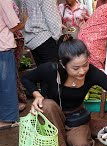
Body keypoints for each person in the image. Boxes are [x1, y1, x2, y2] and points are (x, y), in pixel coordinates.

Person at [22, 36, 107, 146]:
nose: (82, 71)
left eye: (85, 65)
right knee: (47, 104)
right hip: (51, 117)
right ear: (63, 64)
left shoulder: (92, 73)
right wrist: (37, 95)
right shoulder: (50, 69)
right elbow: (26, 79)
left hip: (76, 116)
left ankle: (74, 138)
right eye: (75, 68)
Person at [22, 0, 62, 96]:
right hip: (45, 38)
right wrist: (58, 37)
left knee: (44, 76)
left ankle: (45, 106)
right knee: (53, 77)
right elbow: (52, 19)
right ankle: (53, 107)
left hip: (33, 38)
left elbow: (24, 13)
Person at [0, 0, 26, 129]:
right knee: (7, 85)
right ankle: (7, 119)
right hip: (3, 46)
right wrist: (25, 21)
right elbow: (13, 26)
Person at [12, 0, 28, 112]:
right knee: (11, 72)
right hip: (10, 40)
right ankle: (16, 101)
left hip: (15, 39)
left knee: (13, 71)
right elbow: (11, 27)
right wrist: (24, 22)